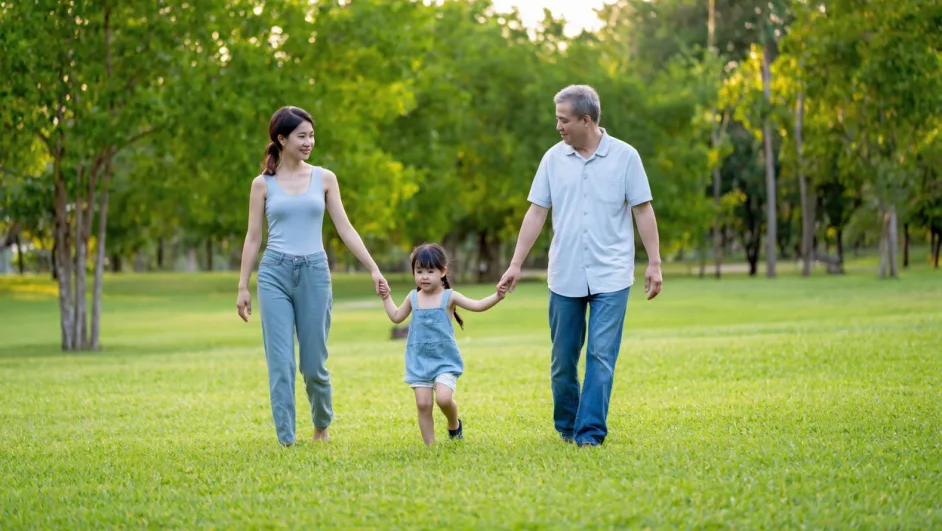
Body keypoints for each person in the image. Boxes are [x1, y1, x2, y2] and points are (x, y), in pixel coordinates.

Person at [497, 84, 663, 448]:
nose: (558, 126)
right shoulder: (552, 159)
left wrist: (654, 262)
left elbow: (642, 209)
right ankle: (568, 426)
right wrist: (515, 264)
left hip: (612, 274)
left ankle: (590, 435)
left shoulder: (625, 157)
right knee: (562, 362)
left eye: (563, 119)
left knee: (601, 357)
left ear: (586, 120)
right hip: (565, 274)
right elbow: (537, 211)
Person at [237, 106, 389, 447]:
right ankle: (286, 440)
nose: (309, 142)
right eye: (302, 136)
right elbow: (252, 237)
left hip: (314, 274)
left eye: (311, 135)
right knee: (280, 364)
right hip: (273, 273)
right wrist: (242, 286)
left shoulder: (324, 178)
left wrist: (373, 267)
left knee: (313, 365)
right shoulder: (262, 184)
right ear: (281, 139)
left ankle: (322, 423)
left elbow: (345, 228)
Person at [378, 243, 505, 445]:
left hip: (444, 360)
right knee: (423, 404)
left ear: (443, 271)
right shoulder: (413, 298)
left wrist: (497, 295)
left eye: (430, 271)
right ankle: (430, 447)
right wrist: (386, 297)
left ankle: (454, 423)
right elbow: (396, 316)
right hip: (419, 362)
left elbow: (478, 305)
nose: (424, 276)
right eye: (419, 271)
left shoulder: (449, 296)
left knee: (444, 399)